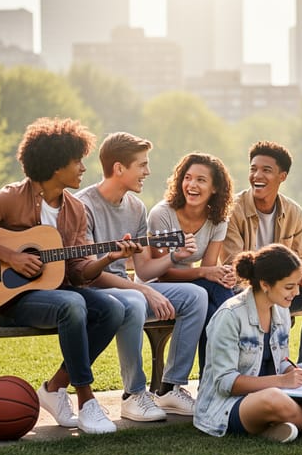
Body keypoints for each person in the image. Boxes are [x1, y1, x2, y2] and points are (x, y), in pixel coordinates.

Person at [0, 117, 139, 434]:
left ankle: (55, 387)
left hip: (56, 295)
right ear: (56, 165)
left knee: (114, 308)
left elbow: (78, 271)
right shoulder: (11, 197)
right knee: (72, 305)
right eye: (77, 161)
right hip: (11, 302)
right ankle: (86, 400)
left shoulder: (75, 209)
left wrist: (108, 258)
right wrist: (10, 256)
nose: (83, 168)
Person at [75, 132, 208, 421]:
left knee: (197, 295)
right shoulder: (82, 206)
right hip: (95, 294)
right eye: (142, 165)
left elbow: (144, 270)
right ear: (119, 168)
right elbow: (89, 275)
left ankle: (170, 388)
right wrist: (144, 290)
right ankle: (133, 394)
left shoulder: (136, 207)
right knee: (135, 301)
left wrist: (174, 257)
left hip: (127, 289)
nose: (148, 171)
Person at [194, 244, 302, 442]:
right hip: (231, 405)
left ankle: (281, 423)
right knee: (274, 399)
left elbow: (282, 364)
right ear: (265, 284)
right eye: (289, 287)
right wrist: (282, 381)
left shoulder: (281, 309)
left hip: (277, 394)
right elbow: (225, 383)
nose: (296, 292)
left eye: (297, 285)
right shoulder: (230, 316)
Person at [221, 140, 302, 364]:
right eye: (253, 169)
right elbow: (234, 263)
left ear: (282, 176)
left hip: (282, 289)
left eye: (266, 170)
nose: (257, 175)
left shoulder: (293, 211)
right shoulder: (233, 209)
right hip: (244, 289)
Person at [148, 152, 236, 376]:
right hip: (156, 286)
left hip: (193, 287)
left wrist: (222, 274)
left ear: (215, 188)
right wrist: (208, 273)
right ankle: (222, 369)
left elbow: (208, 269)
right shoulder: (162, 214)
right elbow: (163, 274)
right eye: (187, 178)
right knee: (217, 300)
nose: (192, 185)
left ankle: (211, 378)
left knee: (214, 306)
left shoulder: (218, 219)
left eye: (201, 180)